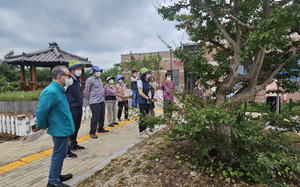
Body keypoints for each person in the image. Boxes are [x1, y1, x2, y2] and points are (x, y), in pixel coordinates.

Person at [34, 65, 74, 187]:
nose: (70, 78)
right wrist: (41, 126)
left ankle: (56, 175)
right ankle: (53, 182)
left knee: (61, 154)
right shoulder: (51, 91)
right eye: (68, 75)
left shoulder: (59, 89)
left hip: (63, 127)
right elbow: (41, 112)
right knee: (59, 154)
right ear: (60, 77)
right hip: (59, 128)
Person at [65, 60, 85, 159]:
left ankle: (73, 143)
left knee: (76, 126)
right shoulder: (68, 80)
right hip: (71, 107)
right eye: (77, 68)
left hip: (78, 106)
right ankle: (66, 149)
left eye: (80, 68)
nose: (79, 70)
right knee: (70, 128)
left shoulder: (78, 79)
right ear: (72, 69)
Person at [84, 66, 109, 139]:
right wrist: (88, 98)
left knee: (102, 115)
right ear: (93, 72)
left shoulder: (99, 79)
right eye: (97, 71)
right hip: (94, 101)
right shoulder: (90, 80)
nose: (99, 73)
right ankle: (92, 131)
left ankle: (100, 128)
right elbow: (86, 90)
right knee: (95, 117)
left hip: (101, 100)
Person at [137, 68, 153, 138]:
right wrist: (147, 98)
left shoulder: (146, 82)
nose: (148, 75)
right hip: (142, 101)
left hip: (146, 101)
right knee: (142, 116)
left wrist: (150, 97)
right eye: (147, 74)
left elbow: (149, 91)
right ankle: (141, 132)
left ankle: (145, 129)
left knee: (146, 115)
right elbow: (140, 92)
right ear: (144, 75)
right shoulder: (140, 81)